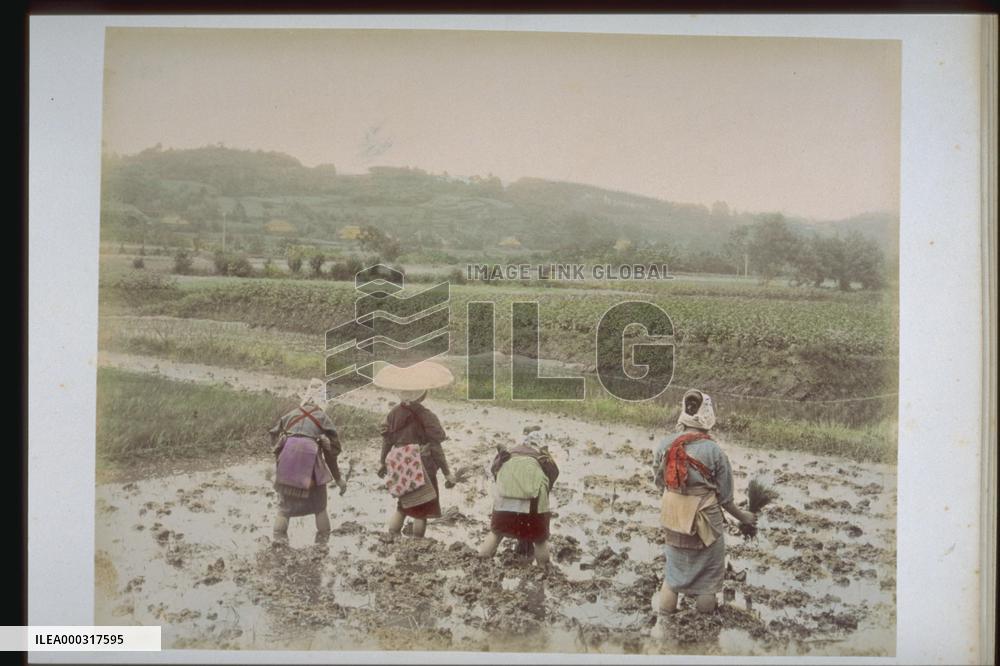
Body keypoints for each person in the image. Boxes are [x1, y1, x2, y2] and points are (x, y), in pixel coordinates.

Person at [650, 389, 757, 633]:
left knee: (672, 577)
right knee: (707, 584)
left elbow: (660, 483)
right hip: (705, 523)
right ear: (707, 413)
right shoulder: (714, 451)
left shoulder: (665, 445)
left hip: (673, 518)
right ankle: (702, 634)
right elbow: (726, 499)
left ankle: (664, 627)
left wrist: (679, 501)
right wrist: (745, 517)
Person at [374, 362, 457, 539]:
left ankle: (392, 535)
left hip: (400, 464)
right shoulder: (428, 416)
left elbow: (387, 440)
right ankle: (417, 542)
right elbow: (435, 446)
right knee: (422, 509)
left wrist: (382, 462)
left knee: (403, 505)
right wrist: (447, 472)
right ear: (423, 394)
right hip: (421, 464)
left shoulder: (393, 414)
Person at [269, 378, 347, 545]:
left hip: (287, 462)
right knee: (320, 506)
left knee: (284, 508)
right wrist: (338, 479)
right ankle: (323, 546)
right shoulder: (322, 417)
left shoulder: (291, 415)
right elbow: (332, 452)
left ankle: (278, 544)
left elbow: (274, 434)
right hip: (310, 463)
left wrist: (280, 458)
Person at [478, 429, 559, 566]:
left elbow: (494, 471)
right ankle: (543, 571)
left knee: (496, 533)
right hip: (533, 503)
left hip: (504, 502)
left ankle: (480, 563)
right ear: (542, 446)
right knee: (539, 540)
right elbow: (553, 475)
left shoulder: (510, 453)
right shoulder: (543, 457)